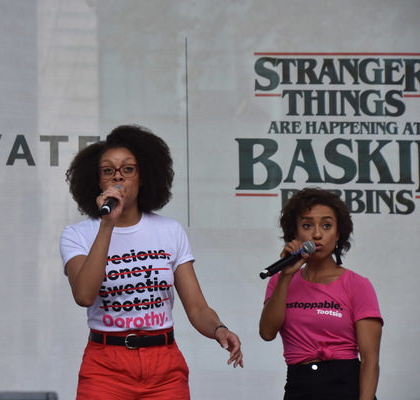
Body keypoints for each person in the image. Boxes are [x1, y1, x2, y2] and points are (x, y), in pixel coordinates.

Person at [60, 124, 243, 399]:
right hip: (106, 368)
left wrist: (219, 329)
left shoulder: (169, 231)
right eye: (108, 170)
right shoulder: (78, 235)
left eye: (128, 169)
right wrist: (107, 224)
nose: (118, 177)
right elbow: (84, 295)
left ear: (143, 176)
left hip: (164, 366)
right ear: (98, 181)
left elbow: (196, 307)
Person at [259, 187, 382, 400]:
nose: (317, 234)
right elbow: (267, 333)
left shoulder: (357, 285)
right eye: (307, 225)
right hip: (299, 386)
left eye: (326, 225)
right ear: (295, 233)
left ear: (338, 233)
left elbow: (370, 359)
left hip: (345, 386)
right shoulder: (280, 281)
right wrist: (286, 276)